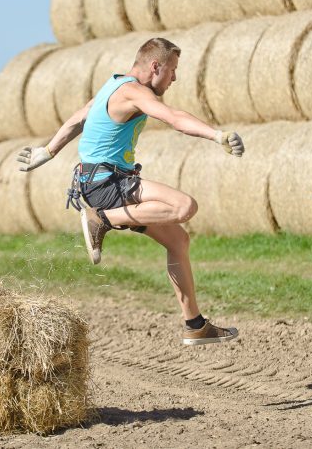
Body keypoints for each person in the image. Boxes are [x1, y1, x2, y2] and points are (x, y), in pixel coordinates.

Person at [16, 37, 244, 345]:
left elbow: (80, 117)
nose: (174, 78)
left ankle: (195, 324)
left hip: (96, 180)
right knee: (184, 207)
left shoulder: (113, 84)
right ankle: (103, 220)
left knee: (178, 240)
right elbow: (174, 119)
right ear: (155, 66)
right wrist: (217, 135)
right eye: (173, 70)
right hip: (107, 184)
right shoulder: (135, 92)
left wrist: (47, 151)